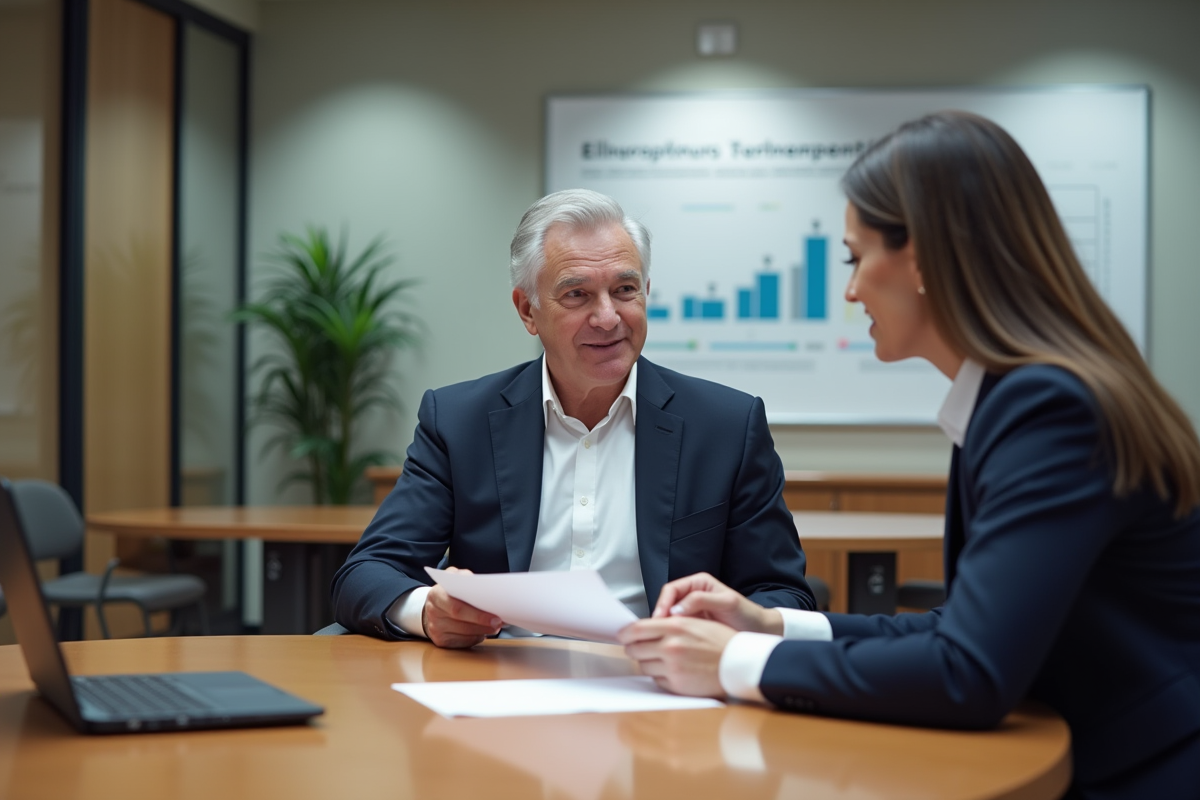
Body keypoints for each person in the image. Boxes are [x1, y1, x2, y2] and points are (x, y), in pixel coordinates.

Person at [619, 111, 1200, 799]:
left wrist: (737, 662)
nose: (851, 289)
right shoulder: (1018, 394)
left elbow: (969, 672)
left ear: (922, 257)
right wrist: (769, 622)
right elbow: (963, 629)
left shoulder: (1048, 407)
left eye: (856, 257)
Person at [333, 188, 817, 647]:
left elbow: (782, 593)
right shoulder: (459, 422)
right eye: (577, 295)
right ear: (528, 310)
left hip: (661, 696)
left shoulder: (727, 426)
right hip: (499, 686)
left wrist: (723, 629)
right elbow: (367, 573)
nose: (608, 317)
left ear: (646, 292)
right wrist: (427, 611)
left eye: (625, 289)